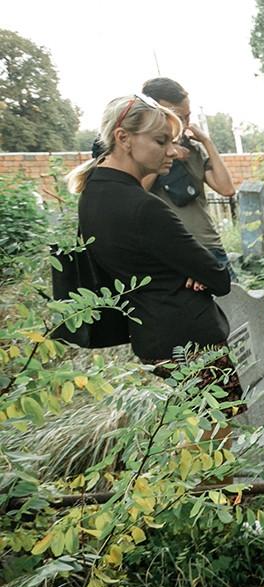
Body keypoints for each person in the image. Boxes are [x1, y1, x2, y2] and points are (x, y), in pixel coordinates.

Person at [67, 94, 236, 396]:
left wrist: (179, 270)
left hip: (147, 335)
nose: (171, 151)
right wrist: (189, 272)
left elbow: (128, 262)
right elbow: (220, 278)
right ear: (123, 138)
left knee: (189, 431)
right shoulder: (145, 208)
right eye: (160, 141)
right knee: (215, 432)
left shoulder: (91, 195)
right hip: (189, 339)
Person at [139, 78, 238, 281]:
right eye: (176, 116)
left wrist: (207, 142)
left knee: (234, 308)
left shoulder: (193, 149)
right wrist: (166, 154)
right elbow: (136, 191)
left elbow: (226, 188)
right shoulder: (140, 152)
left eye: (187, 117)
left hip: (209, 246)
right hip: (169, 254)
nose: (182, 125)